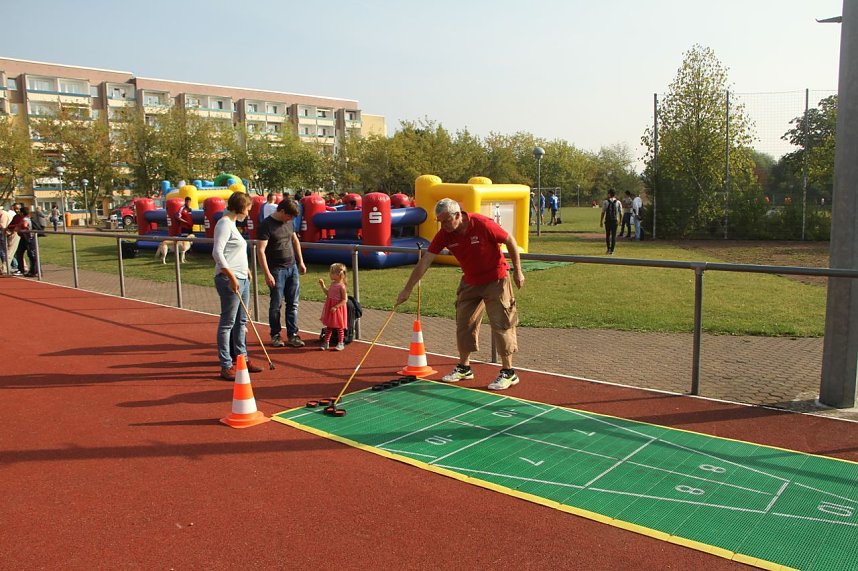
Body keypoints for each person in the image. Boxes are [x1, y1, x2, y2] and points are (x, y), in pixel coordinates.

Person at [396, 198, 525, 390]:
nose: (444, 225)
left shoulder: (482, 224)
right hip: (470, 281)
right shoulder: (444, 234)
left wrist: (518, 270)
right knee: (464, 323)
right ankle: (464, 367)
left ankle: (508, 372)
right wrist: (407, 289)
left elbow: (510, 240)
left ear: (458, 215)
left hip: (495, 279)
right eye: (440, 221)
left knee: (501, 324)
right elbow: (425, 261)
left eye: (447, 220)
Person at [212, 192, 263, 381]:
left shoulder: (232, 224)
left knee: (241, 322)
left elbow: (233, 252)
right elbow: (217, 252)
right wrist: (231, 275)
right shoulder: (224, 223)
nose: (249, 213)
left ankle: (242, 359)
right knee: (228, 323)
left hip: (242, 277)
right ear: (241, 206)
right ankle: (226, 365)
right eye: (248, 208)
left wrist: (246, 270)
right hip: (229, 279)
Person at [256, 198, 306, 348]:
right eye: (289, 216)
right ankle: (276, 335)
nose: (290, 220)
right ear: (282, 211)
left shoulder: (289, 223)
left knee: (293, 303)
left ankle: (293, 335)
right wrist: (267, 273)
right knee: (276, 304)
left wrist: (300, 261)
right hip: (276, 270)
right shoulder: (266, 225)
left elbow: (295, 240)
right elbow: (260, 250)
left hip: (292, 268)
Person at [318, 263, 348, 351]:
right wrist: (323, 286)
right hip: (330, 307)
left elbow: (344, 300)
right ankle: (326, 342)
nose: (330, 274)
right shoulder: (333, 284)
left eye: (331, 273)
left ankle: (341, 343)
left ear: (338, 275)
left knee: (339, 327)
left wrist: (336, 307)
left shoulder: (342, 287)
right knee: (329, 326)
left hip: (337, 309)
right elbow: (328, 294)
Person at [10, 206, 37, 276]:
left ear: (22, 213)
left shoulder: (25, 219)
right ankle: (22, 269)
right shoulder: (26, 218)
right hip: (24, 238)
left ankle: (34, 271)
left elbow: (24, 226)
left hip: (28, 238)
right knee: (19, 252)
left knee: (31, 255)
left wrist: (19, 228)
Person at [600, 189, 622, 255]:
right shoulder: (618, 202)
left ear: (609, 194)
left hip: (608, 220)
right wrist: (620, 221)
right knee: (613, 236)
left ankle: (608, 249)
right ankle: (612, 250)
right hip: (615, 220)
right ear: (615, 194)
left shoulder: (605, 202)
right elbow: (621, 213)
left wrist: (601, 221)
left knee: (608, 235)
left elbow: (603, 212)